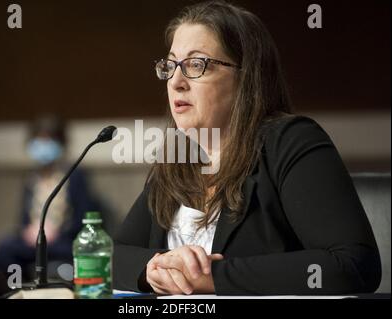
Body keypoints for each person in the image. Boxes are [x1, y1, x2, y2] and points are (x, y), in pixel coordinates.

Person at [113, 1, 381, 295]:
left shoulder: (290, 142)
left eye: (196, 64)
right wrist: (155, 269)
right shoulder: (177, 158)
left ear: (246, 76)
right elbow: (113, 256)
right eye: (171, 65)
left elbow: (352, 264)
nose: (176, 82)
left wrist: (213, 277)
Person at [0, 115, 103, 281]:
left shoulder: (75, 175)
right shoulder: (32, 178)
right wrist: (28, 231)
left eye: (48, 141)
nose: (43, 146)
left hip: (64, 242)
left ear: (61, 143)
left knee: (8, 248)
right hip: (34, 241)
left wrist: (56, 232)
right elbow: (23, 220)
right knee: (5, 247)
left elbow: (83, 218)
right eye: (39, 140)